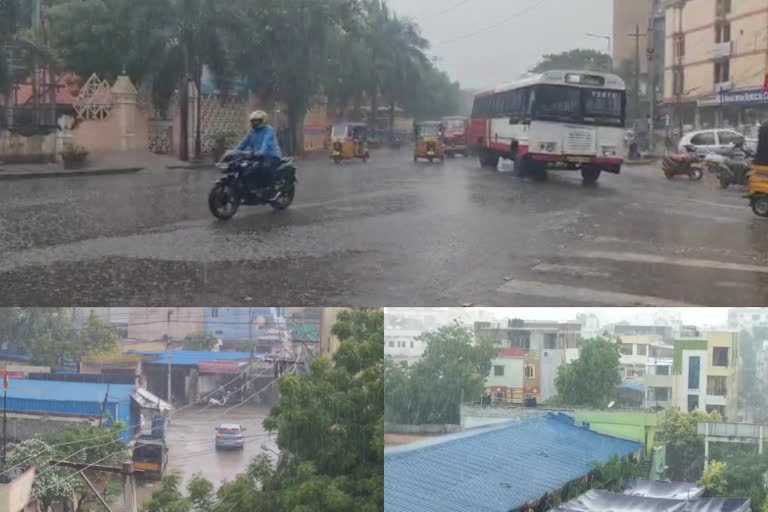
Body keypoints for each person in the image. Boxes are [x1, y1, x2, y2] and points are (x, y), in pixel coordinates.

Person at [236, 110, 283, 197]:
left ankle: (272, 190)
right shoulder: (252, 132)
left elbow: (266, 142)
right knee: (245, 168)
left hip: (272, 156)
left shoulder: (269, 130)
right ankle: (252, 188)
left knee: (265, 167)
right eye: (253, 121)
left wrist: (261, 152)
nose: (254, 123)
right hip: (257, 156)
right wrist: (235, 151)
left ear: (262, 120)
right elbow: (243, 143)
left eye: (256, 121)